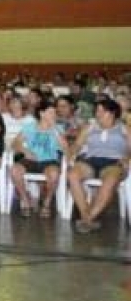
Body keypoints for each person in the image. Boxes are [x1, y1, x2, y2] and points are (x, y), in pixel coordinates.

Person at [66, 98, 130, 234]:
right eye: (97, 110)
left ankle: (89, 218)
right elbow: (77, 144)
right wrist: (72, 153)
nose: (98, 113)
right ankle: (86, 216)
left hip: (114, 161)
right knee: (72, 175)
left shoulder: (124, 128)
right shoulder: (90, 127)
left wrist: (126, 158)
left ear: (112, 113)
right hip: (91, 160)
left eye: (102, 110)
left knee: (110, 181)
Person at [9, 101, 65, 218]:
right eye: (50, 112)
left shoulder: (58, 128)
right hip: (30, 159)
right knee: (15, 170)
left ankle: (47, 202)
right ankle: (25, 199)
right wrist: (25, 151)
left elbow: (65, 147)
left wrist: (54, 129)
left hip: (49, 160)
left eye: (55, 113)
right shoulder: (30, 127)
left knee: (54, 174)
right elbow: (15, 143)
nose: (53, 115)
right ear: (42, 113)